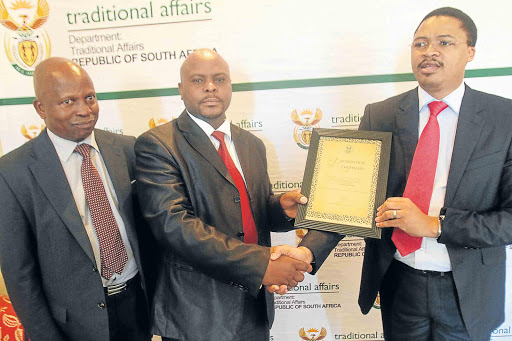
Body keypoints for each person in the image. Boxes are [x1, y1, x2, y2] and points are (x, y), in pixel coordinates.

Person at [286, 7, 512, 341]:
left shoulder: (503, 118)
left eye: (444, 42)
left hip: (468, 289)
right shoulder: (382, 115)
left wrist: (436, 225)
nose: (429, 51)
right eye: (420, 43)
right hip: (399, 282)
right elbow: (347, 202)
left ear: (470, 52)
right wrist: (307, 251)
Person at [135, 48, 312, 341]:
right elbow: (175, 227)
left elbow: (250, 209)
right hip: (196, 314)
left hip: (253, 304)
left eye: (219, 78)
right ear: (181, 89)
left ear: (230, 85)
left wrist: (281, 208)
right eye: (197, 80)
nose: (210, 87)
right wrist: (261, 264)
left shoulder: (252, 144)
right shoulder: (157, 144)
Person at [0, 57, 151, 341]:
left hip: (137, 305)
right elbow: (19, 274)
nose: (84, 110)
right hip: (73, 324)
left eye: (90, 98)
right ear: (41, 108)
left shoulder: (127, 149)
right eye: (68, 102)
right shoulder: (12, 173)